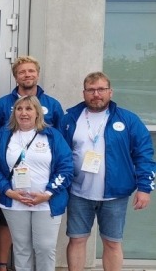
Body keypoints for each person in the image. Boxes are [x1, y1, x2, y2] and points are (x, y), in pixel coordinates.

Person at [62, 72, 155, 271]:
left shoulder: (128, 120)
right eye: (91, 90)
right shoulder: (70, 118)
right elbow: (59, 154)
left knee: (112, 243)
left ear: (110, 92)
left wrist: (145, 188)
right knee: (77, 240)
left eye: (101, 89)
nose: (96, 94)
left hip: (115, 194)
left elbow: (144, 154)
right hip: (78, 193)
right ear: (84, 93)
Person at [0, 55, 64, 271]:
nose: (24, 113)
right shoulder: (4, 129)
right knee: (21, 248)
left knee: (45, 247)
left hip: (45, 199)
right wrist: (7, 190)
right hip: (14, 198)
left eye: (29, 109)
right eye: (22, 72)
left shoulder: (52, 130)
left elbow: (64, 164)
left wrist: (48, 193)